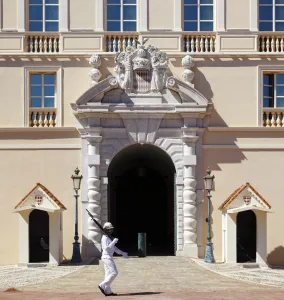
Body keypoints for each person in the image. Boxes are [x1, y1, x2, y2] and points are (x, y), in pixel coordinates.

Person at [98, 222, 128, 296]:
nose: (111, 231)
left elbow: (114, 248)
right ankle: (102, 285)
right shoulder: (104, 238)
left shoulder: (108, 237)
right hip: (106, 257)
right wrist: (113, 242)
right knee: (114, 272)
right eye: (109, 229)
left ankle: (107, 291)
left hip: (109, 257)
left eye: (111, 229)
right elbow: (107, 248)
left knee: (108, 274)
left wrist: (122, 253)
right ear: (106, 230)